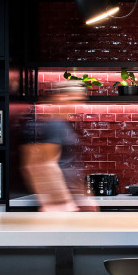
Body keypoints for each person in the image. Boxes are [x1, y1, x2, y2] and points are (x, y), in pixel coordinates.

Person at [20, 82, 97, 212]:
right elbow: (45, 165)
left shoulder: (62, 124)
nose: (80, 105)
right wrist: (63, 201)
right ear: (62, 98)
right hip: (60, 203)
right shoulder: (55, 125)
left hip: (68, 200)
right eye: (75, 100)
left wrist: (83, 197)